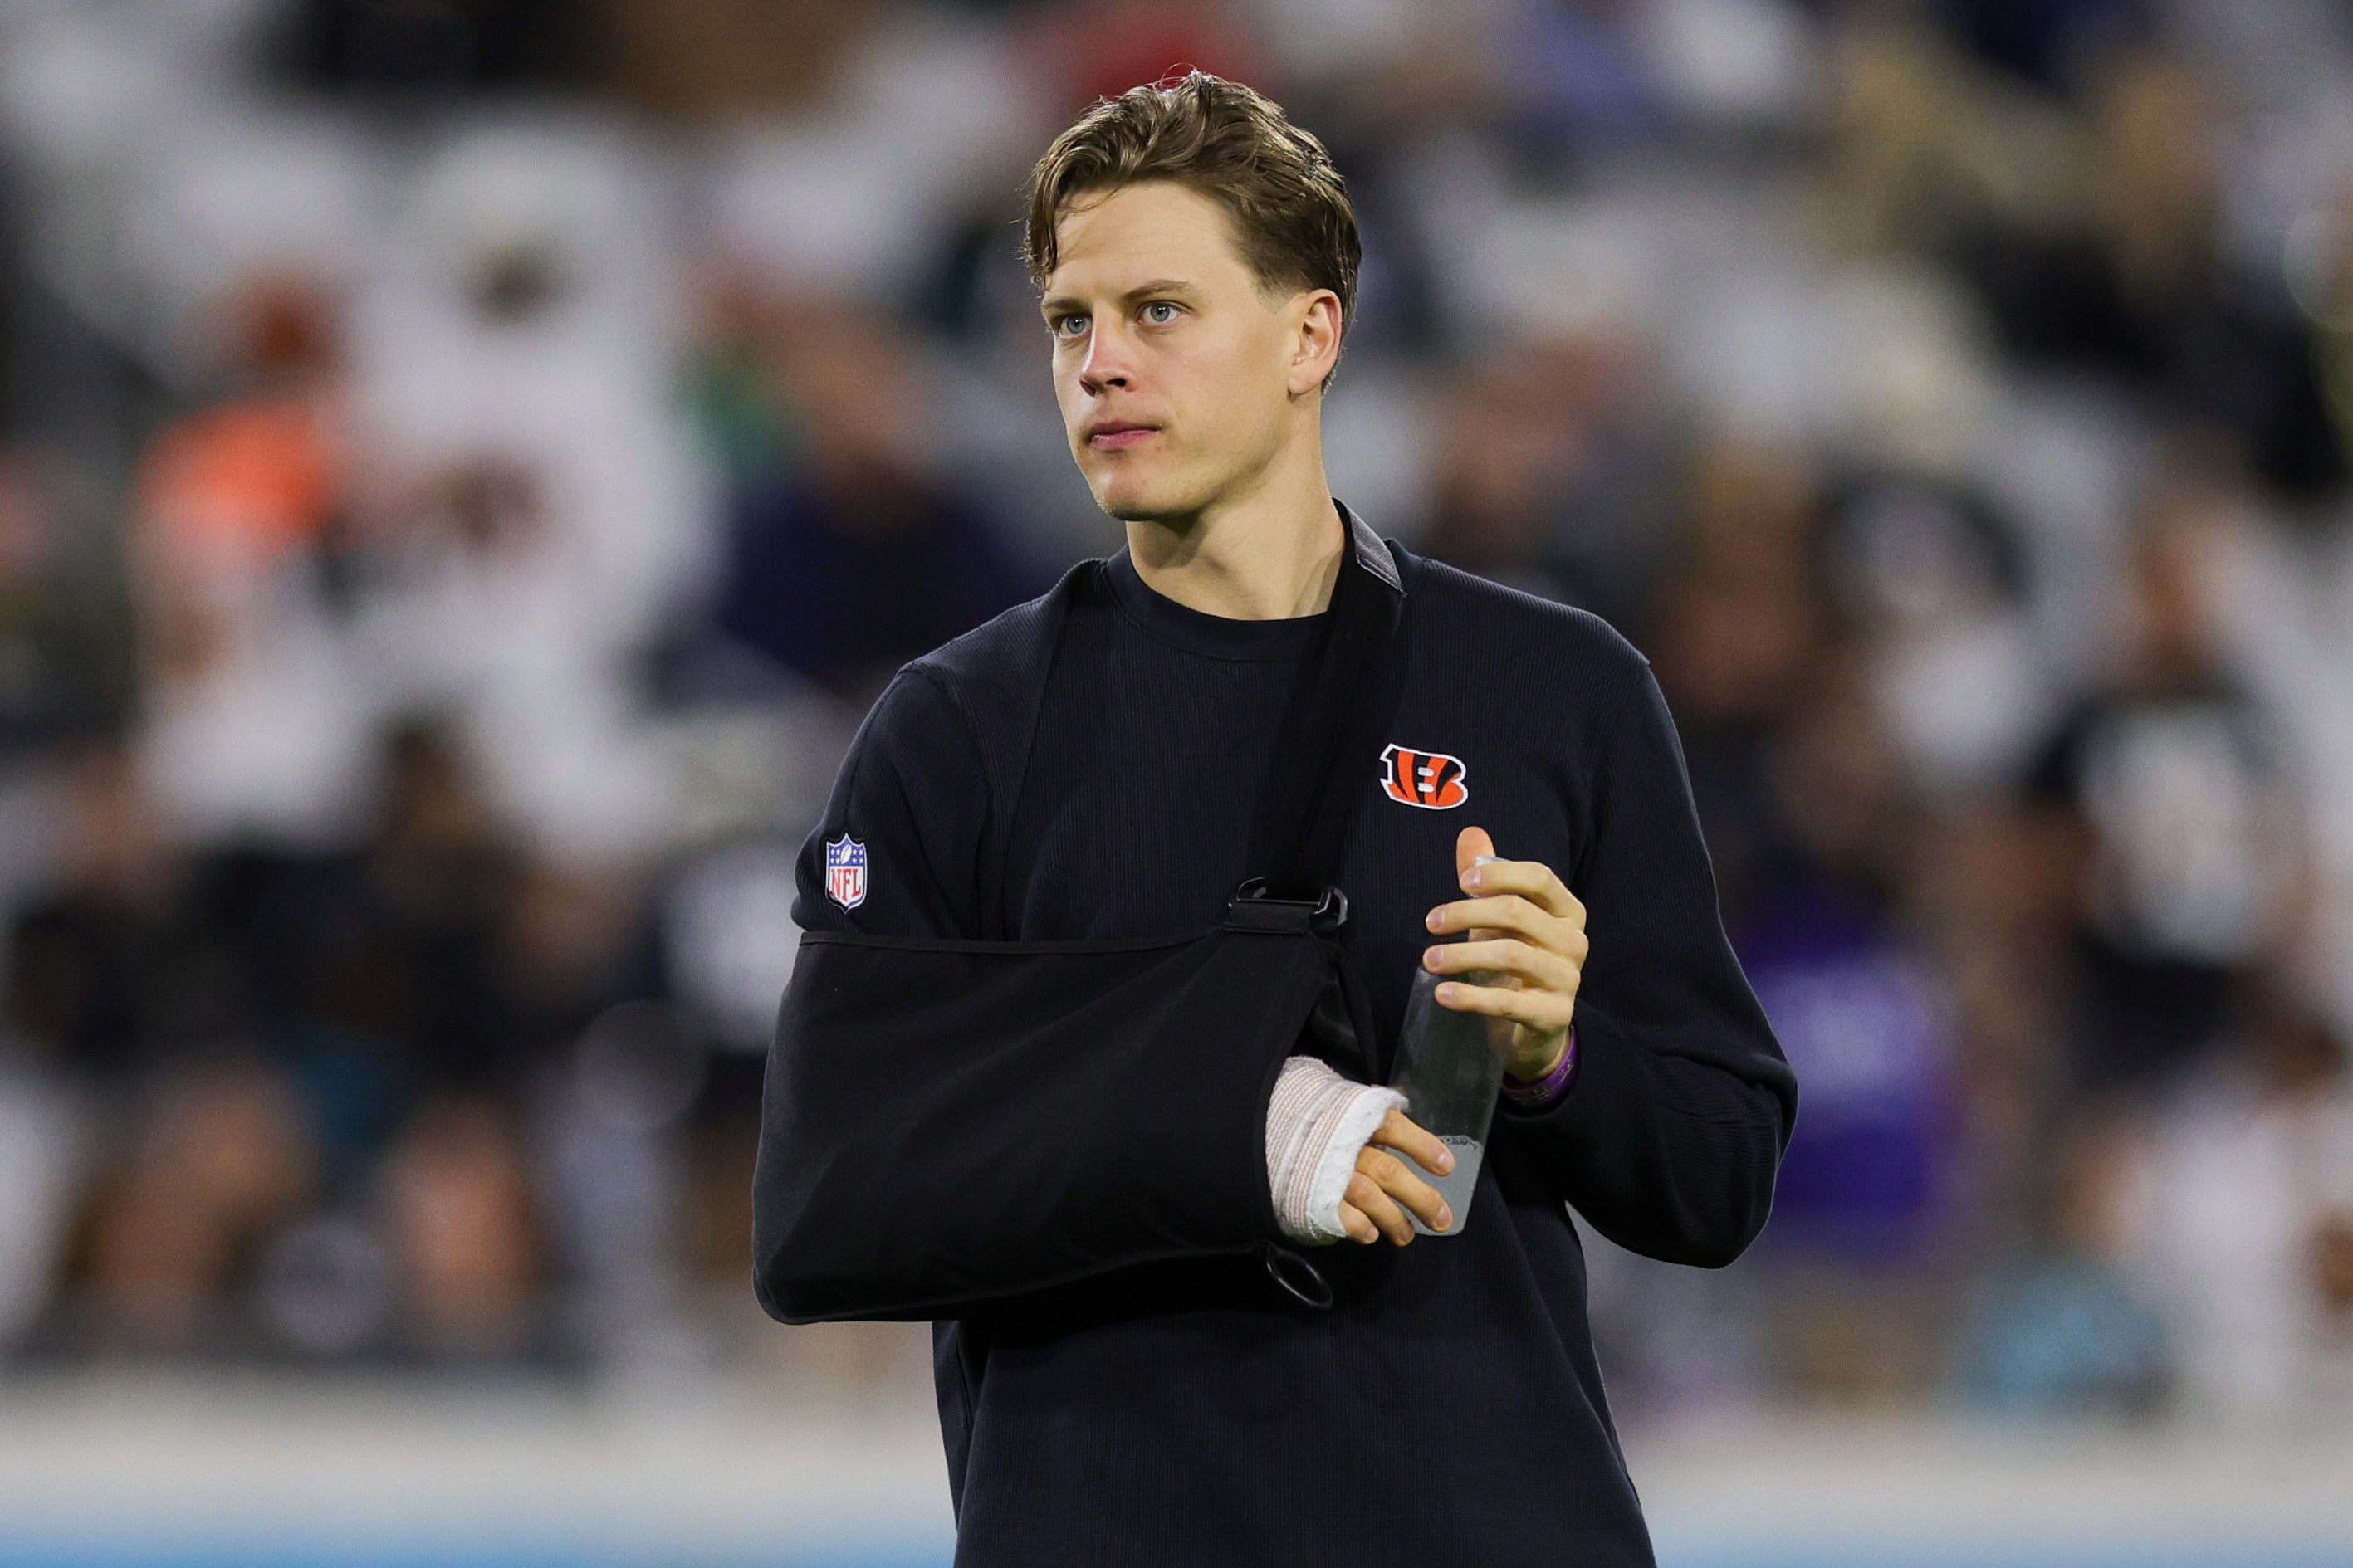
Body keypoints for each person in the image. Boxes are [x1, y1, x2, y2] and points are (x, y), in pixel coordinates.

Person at [758, 74, 1793, 1566]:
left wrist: (1557, 1055)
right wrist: (1246, 1126)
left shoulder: (1552, 690)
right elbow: (827, 1202)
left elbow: (1718, 1179)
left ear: (1311, 335)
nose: (1101, 364)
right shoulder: (957, 727)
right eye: (1069, 322)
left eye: (1158, 311)